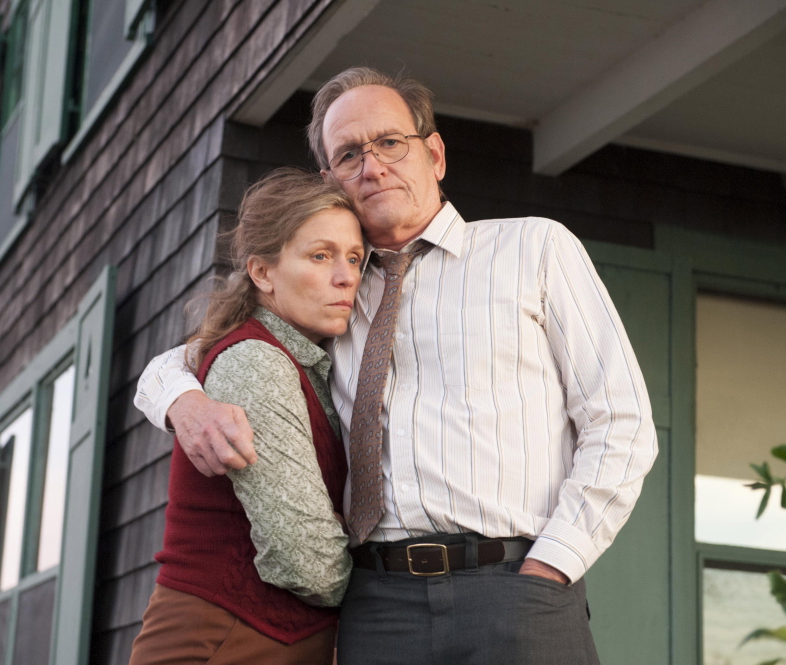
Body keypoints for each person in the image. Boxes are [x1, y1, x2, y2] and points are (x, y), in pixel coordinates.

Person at [134, 68, 658, 665]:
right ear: (332, 179)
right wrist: (184, 401)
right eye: (349, 154)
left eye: (389, 142)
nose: (372, 166)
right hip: (376, 608)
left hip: (515, 589)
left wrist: (552, 564)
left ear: (434, 154)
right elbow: (207, 353)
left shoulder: (533, 249)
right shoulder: (337, 289)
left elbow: (621, 422)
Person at [128, 168, 363, 665]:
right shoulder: (255, 361)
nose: (346, 276)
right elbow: (306, 561)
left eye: (355, 258)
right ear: (262, 272)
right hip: (223, 639)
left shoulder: (306, 362)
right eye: (320, 256)